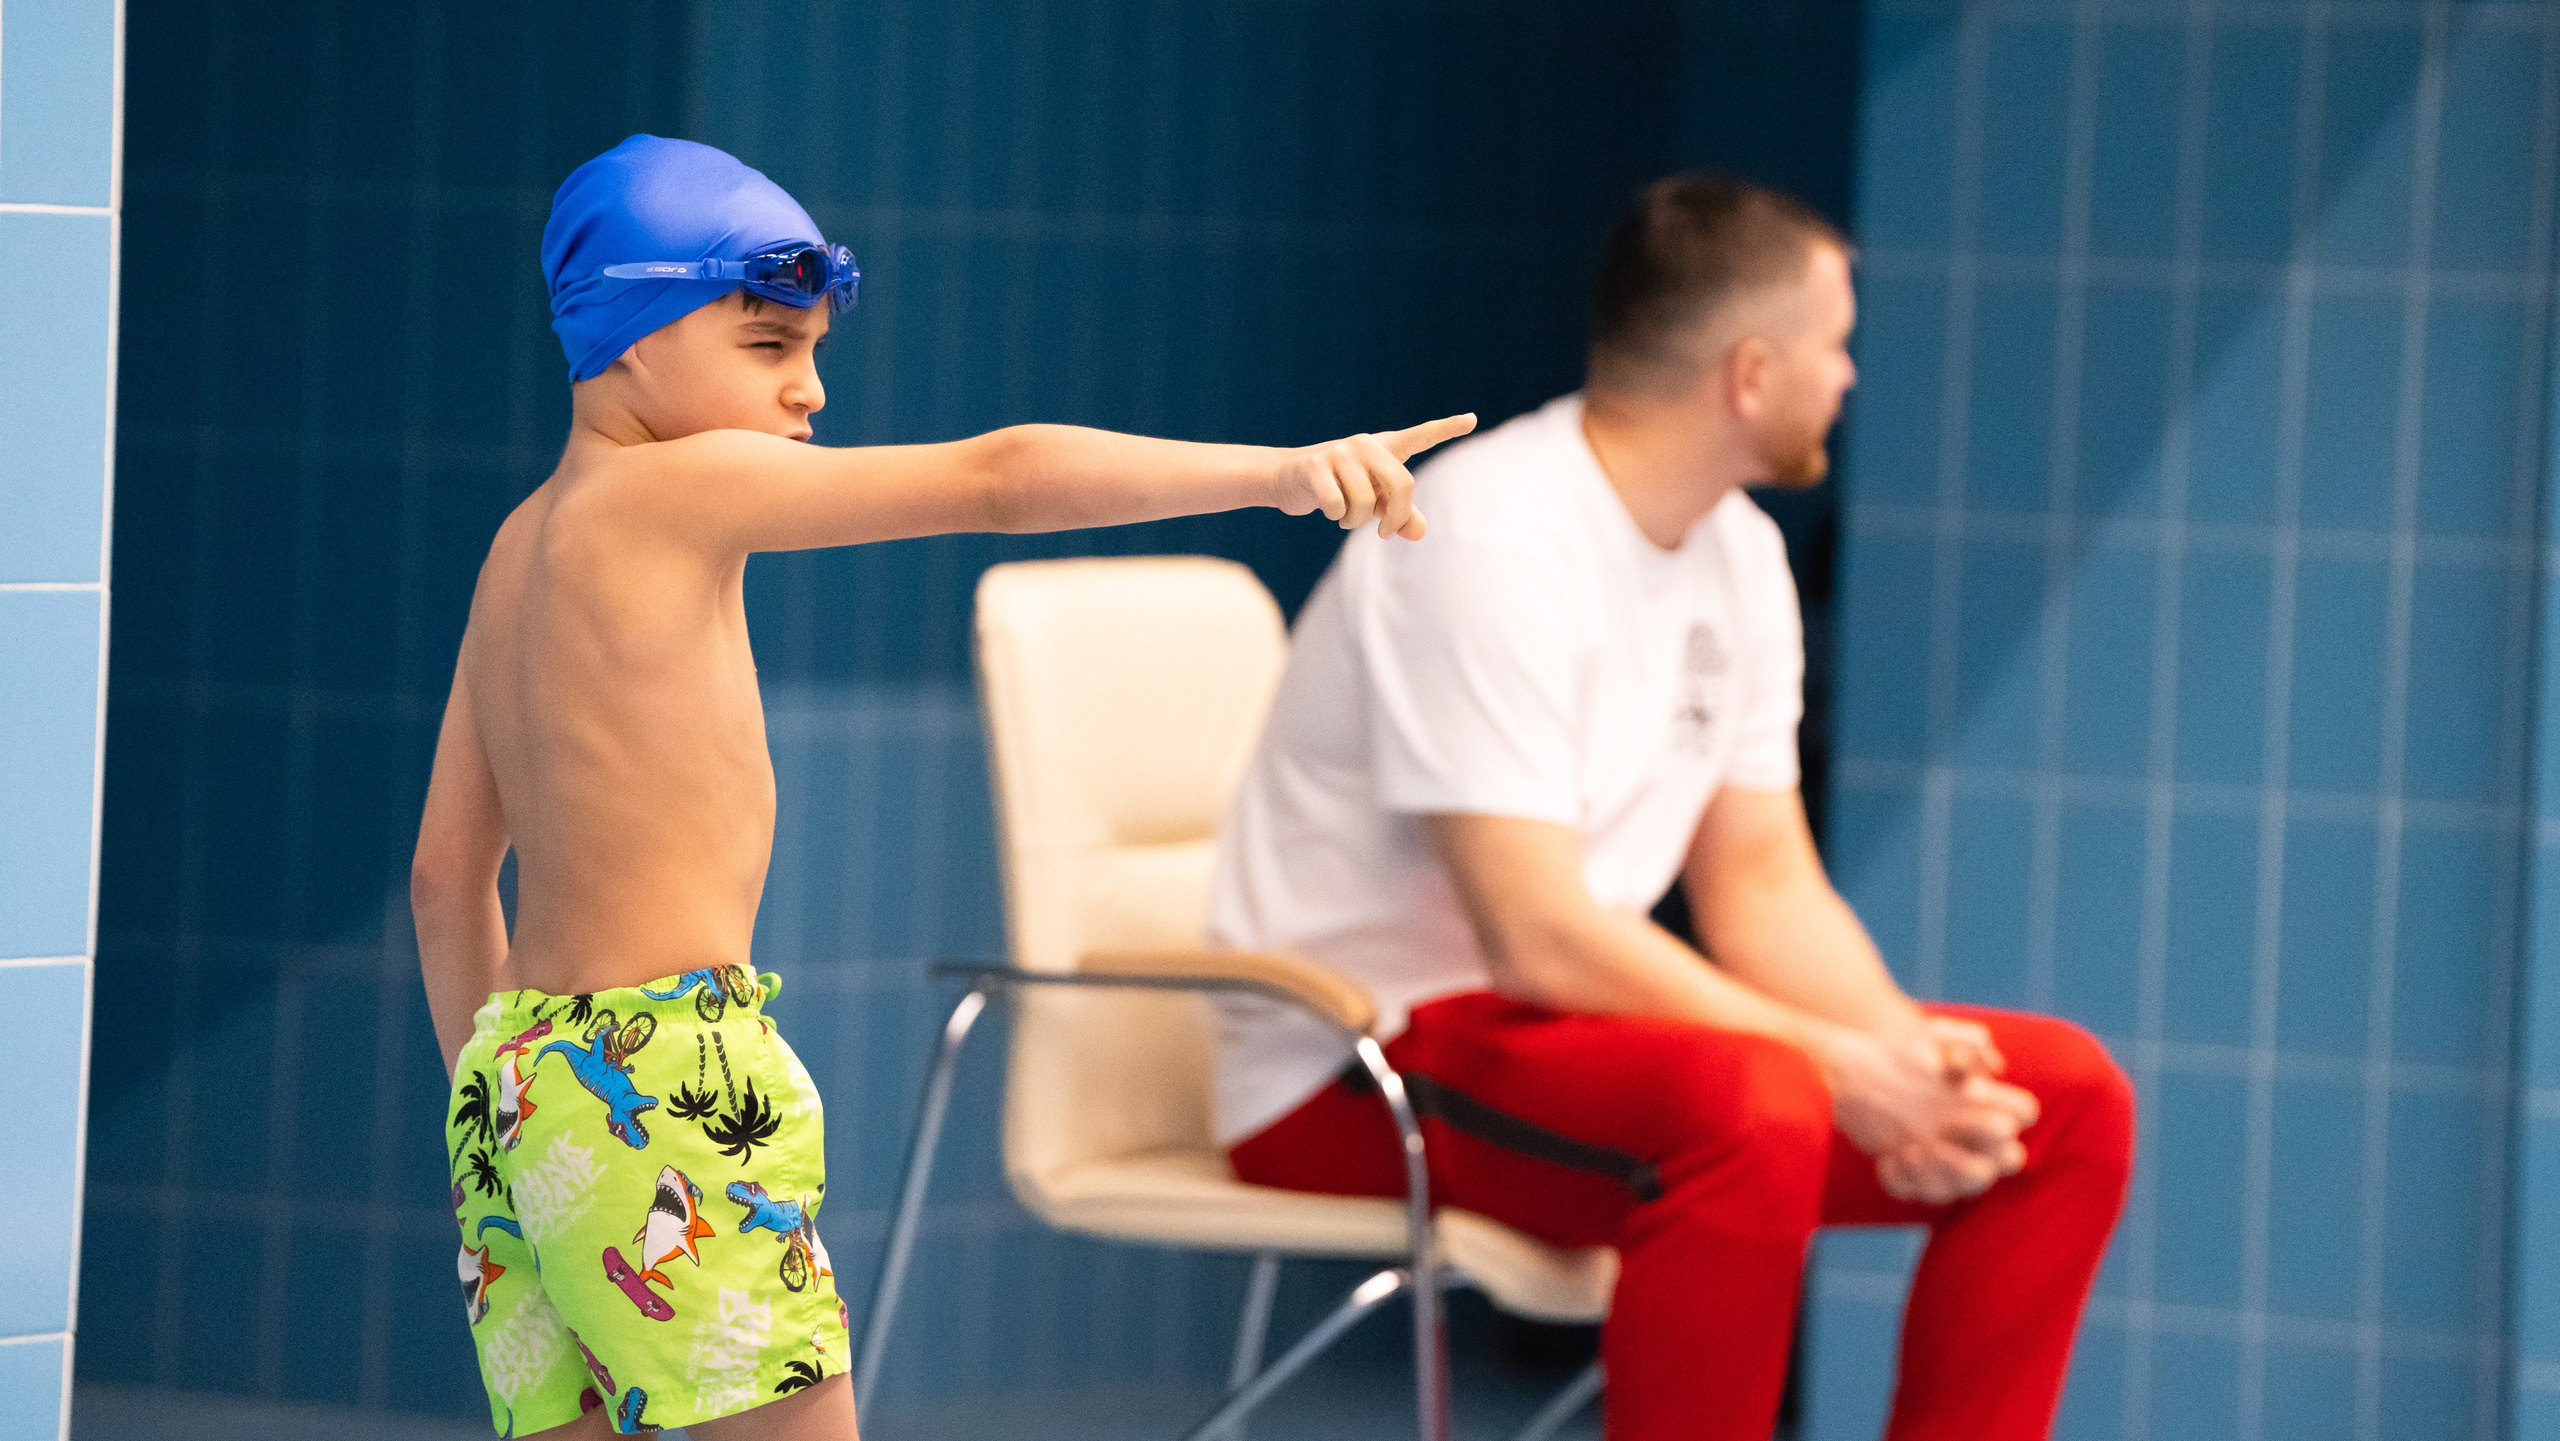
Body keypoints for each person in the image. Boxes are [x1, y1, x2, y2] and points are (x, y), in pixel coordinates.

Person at [410, 133, 1473, 1441]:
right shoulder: (681, 488)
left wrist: (496, 1106)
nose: (807, 393)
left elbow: (445, 877)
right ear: (631, 336)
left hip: (516, 1088)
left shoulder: (516, 547)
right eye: (768, 348)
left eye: (814, 353)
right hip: (665, 1072)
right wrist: (1273, 474)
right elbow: (997, 477)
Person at [1209, 175, 2135, 1441]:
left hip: (1556, 1041)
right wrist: (1836, 1064)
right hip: (1349, 1067)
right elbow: (1534, 929)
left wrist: (1896, 1057)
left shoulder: (1737, 551)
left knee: (2060, 1104)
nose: (1851, 377)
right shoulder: (1486, 534)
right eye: (1836, 345)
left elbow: (1761, 885)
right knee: (1757, 1104)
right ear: (1751, 372)